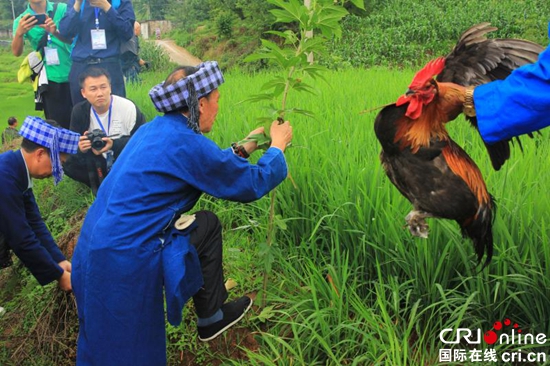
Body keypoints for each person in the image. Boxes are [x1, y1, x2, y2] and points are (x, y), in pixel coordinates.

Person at [71, 61, 293, 365]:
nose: (218, 107)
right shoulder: (186, 143)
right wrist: (277, 148)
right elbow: (249, 183)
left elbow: (207, 165)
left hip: (91, 251)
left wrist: (243, 147)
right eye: (216, 100)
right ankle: (211, 317)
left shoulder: (153, 130)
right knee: (129, 350)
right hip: (124, 260)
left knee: (98, 342)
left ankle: (212, 315)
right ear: (200, 104)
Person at [0, 117, 80, 290]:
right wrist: (58, 275)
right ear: (40, 154)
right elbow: (20, 237)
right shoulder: (4, 177)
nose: (56, 172)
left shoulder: (16, 170)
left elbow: (34, 222)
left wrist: (59, 260)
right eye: (58, 164)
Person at [62, 67, 145, 194]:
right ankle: (96, 185)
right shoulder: (79, 111)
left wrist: (113, 144)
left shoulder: (128, 108)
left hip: (123, 157)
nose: (99, 93)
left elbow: (143, 141)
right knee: (68, 163)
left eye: (103, 87)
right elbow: (71, 146)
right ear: (83, 93)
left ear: (110, 88)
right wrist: (80, 147)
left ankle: (127, 182)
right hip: (96, 160)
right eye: (93, 89)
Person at [58, 0, 135, 105]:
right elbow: (65, 32)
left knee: (114, 111)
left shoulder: (119, 2)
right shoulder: (76, 2)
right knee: (81, 113)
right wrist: (77, 5)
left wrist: (107, 7)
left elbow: (127, 32)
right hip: (81, 65)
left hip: (109, 65)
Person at [12, 0, 74, 129]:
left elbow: (74, 38)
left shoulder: (62, 9)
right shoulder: (21, 20)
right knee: (57, 126)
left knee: (80, 122)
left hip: (74, 72)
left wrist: (54, 31)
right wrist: (19, 33)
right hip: (50, 79)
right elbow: (16, 52)